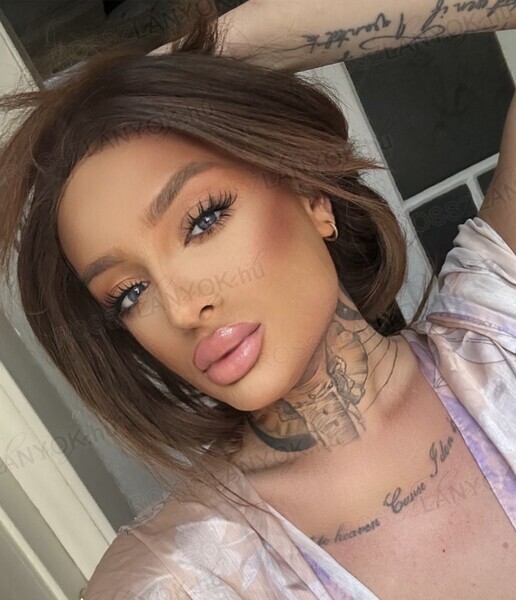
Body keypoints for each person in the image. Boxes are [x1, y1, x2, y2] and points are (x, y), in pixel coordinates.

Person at [0, 1, 515, 598]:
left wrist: (196, 63)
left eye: (203, 220)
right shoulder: (175, 581)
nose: (183, 309)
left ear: (311, 195)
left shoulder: (499, 325)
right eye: (130, 293)